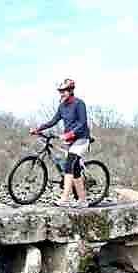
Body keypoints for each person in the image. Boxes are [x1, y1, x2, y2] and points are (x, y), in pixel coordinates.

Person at [30, 78, 90, 208]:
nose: (62, 93)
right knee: (75, 170)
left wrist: (70, 134)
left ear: (71, 91)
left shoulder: (79, 104)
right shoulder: (62, 106)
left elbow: (82, 123)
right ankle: (82, 199)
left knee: (68, 166)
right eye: (60, 91)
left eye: (64, 91)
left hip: (81, 139)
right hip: (70, 141)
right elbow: (53, 121)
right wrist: (38, 129)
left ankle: (65, 199)